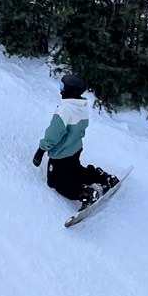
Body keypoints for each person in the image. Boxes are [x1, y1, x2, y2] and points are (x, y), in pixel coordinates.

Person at [32, 73, 119, 207]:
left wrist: (41, 149)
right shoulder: (81, 106)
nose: (60, 90)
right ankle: (103, 178)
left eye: (62, 87)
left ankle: (85, 193)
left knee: (55, 182)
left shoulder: (64, 110)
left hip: (61, 154)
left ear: (69, 90)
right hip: (75, 149)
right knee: (75, 171)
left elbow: (53, 134)